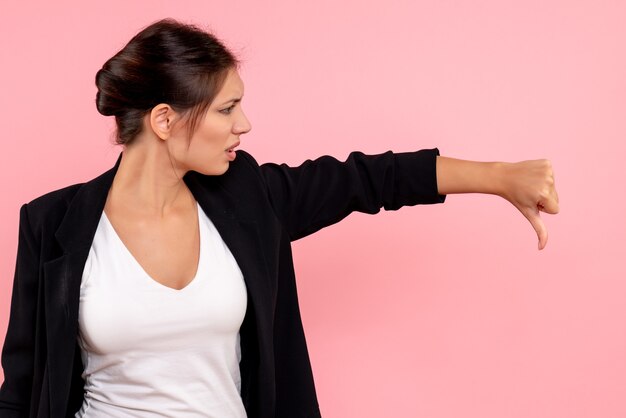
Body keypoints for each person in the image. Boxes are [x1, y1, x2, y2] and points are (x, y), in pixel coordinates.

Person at [0, 17, 559, 418]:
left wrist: (500, 177)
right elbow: (20, 390)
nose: (244, 125)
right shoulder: (53, 224)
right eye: (226, 108)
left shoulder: (248, 197)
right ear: (165, 120)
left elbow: (366, 178)